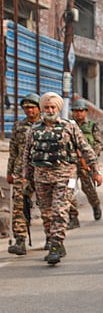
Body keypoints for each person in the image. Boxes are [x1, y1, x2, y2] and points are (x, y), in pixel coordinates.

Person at [22, 92, 103, 265]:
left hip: (64, 176)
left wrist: (95, 170)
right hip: (41, 178)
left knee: (60, 210)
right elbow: (27, 156)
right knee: (46, 214)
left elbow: (85, 148)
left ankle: (55, 245)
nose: (50, 110)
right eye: (46, 107)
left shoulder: (69, 127)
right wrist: (26, 179)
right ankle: (53, 240)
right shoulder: (34, 130)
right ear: (42, 109)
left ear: (58, 108)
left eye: (53, 107)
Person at [6, 93, 41, 255]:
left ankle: (52, 239)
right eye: (26, 108)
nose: (29, 111)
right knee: (19, 205)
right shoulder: (19, 127)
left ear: (39, 108)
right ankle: (20, 240)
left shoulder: (46, 126)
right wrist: (10, 172)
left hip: (42, 171)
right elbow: (13, 151)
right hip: (21, 172)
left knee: (46, 206)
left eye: (32, 107)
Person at [69, 99, 103, 223]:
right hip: (71, 163)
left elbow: (98, 143)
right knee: (69, 189)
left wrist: (91, 159)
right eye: (76, 111)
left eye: (81, 111)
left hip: (86, 163)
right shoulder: (69, 126)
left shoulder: (92, 126)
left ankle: (95, 205)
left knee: (88, 188)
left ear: (85, 112)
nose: (78, 113)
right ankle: (73, 216)